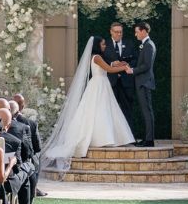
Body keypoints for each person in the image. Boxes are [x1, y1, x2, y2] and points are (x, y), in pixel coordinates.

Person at [40, 35, 135, 170]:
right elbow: (109, 69)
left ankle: (108, 137)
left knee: (105, 110)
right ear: (97, 45)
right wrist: (124, 68)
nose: (104, 46)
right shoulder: (97, 57)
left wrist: (119, 63)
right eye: (102, 44)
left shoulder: (98, 57)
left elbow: (110, 64)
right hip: (98, 85)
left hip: (101, 84)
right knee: (98, 111)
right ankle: (101, 138)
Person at [128, 22, 157, 147]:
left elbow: (147, 66)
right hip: (143, 82)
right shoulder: (145, 45)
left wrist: (132, 70)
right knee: (146, 111)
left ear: (144, 31)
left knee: (147, 111)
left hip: (144, 83)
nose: (135, 34)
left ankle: (149, 140)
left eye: (137, 32)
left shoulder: (149, 45)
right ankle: (148, 139)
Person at [104, 21, 137, 127]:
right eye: (116, 32)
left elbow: (136, 60)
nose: (119, 34)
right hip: (111, 82)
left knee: (128, 109)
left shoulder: (129, 43)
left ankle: (130, 137)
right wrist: (112, 64)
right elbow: (101, 61)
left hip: (126, 82)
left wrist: (127, 64)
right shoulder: (105, 44)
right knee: (109, 109)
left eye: (120, 32)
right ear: (111, 32)